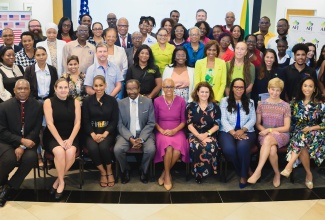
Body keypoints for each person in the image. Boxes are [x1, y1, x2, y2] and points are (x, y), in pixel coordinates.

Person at [0, 79, 42, 206]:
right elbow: (1, 131)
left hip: (30, 142)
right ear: (14, 90)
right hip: (7, 141)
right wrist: (20, 141)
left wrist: (23, 146)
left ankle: (8, 187)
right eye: (19, 88)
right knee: (9, 159)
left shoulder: (38, 105)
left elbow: (36, 129)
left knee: (30, 158)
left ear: (29, 90)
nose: (22, 91)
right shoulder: (3, 106)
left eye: (25, 88)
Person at [281, 77, 325, 189]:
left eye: (310, 86)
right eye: (305, 85)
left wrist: (311, 128)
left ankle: (289, 165)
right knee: (302, 143)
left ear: (315, 89)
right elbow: (290, 120)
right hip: (298, 132)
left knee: (301, 137)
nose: (307, 88)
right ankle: (308, 174)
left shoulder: (320, 104)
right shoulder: (295, 102)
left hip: (315, 132)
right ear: (301, 87)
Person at [248, 78, 290, 187]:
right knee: (272, 150)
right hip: (264, 133)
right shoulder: (261, 104)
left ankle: (258, 171)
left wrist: (271, 130)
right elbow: (257, 124)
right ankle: (277, 174)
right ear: (268, 89)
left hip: (281, 134)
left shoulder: (286, 106)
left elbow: (286, 127)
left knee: (268, 140)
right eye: (272, 89)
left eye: (277, 90)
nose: (274, 93)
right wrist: (266, 131)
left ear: (281, 91)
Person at [43, 78, 81, 199]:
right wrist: (60, 142)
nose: (63, 90)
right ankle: (62, 182)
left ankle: (57, 182)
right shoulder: (48, 102)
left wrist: (70, 140)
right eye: (60, 87)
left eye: (65, 87)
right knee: (59, 151)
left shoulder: (75, 102)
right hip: (53, 135)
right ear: (55, 89)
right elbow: (49, 123)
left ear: (69, 89)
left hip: (71, 135)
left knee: (70, 153)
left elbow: (78, 123)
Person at [114, 79, 156, 184]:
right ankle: (125, 169)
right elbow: (119, 124)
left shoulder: (148, 102)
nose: (131, 91)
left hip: (144, 134)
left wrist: (141, 139)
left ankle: (143, 169)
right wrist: (131, 138)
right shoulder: (120, 103)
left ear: (139, 89)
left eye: (134, 89)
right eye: (129, 89)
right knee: (118, 149)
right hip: (126, 134)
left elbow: (151, 123)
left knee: (151, 149)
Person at [219, 78, 256, 188]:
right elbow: (223, 119)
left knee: (242, 147)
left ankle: (243, 176)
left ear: (244, 89)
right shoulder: (224, 101)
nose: (239, 89)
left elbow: (253, 119)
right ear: (232, 88)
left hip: (247, 131)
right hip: (227, 131)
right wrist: (233, 132)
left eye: (241, 87)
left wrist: (242, 130)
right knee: (229, 150)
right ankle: (244, 169)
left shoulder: (250, 102)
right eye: (236, 87)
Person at [82, 75, 118, 187]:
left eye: (101, 85)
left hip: (107, 132)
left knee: (103, 147)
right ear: (93, 86)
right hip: (91, 132)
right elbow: (85, 120)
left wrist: (105, 134)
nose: (98, 88)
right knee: (92, 148)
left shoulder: (112, 100)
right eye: (96, 86)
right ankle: (102, 172)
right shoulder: (87, 101)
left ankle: (109, 171)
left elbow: (114, 120)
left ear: (105, 85)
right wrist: (93, 134)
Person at [154, 78, 189, 190]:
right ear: (162, 88)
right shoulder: (157, 101)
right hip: (161, 130)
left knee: (178, 150)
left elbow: (184, 121)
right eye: (166, 87)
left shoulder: (181, 101)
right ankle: (168, 177)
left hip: (177, 130)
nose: (168, 89)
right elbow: (154, 120)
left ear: (174, 88)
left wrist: (174, 130)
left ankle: (165, 173)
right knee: (168, 148)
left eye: (171, 87)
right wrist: (161, 130)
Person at [186, 82, 221, 183]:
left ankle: (210, 171)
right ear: (197, 92)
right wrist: (198, 136)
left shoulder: (215, 106)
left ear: (210, 93)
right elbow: (189, 124)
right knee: (198, 146)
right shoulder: (190, 106)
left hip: (210, 133)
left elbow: (217, 125)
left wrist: (206, 135)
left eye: (206, 92)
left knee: (210, 145)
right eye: (202, 92)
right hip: (194, 134)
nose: (204, 94)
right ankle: (198, 174)